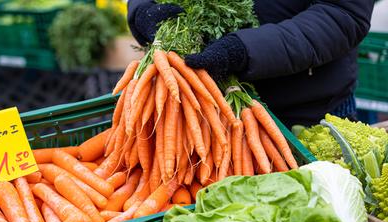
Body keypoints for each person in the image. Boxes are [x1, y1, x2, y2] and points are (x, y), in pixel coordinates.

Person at [127, 0, 375, 128]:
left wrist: (243, 50)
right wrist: (142, 10)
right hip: (201, 109)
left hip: (306, 113)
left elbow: (342, 14)